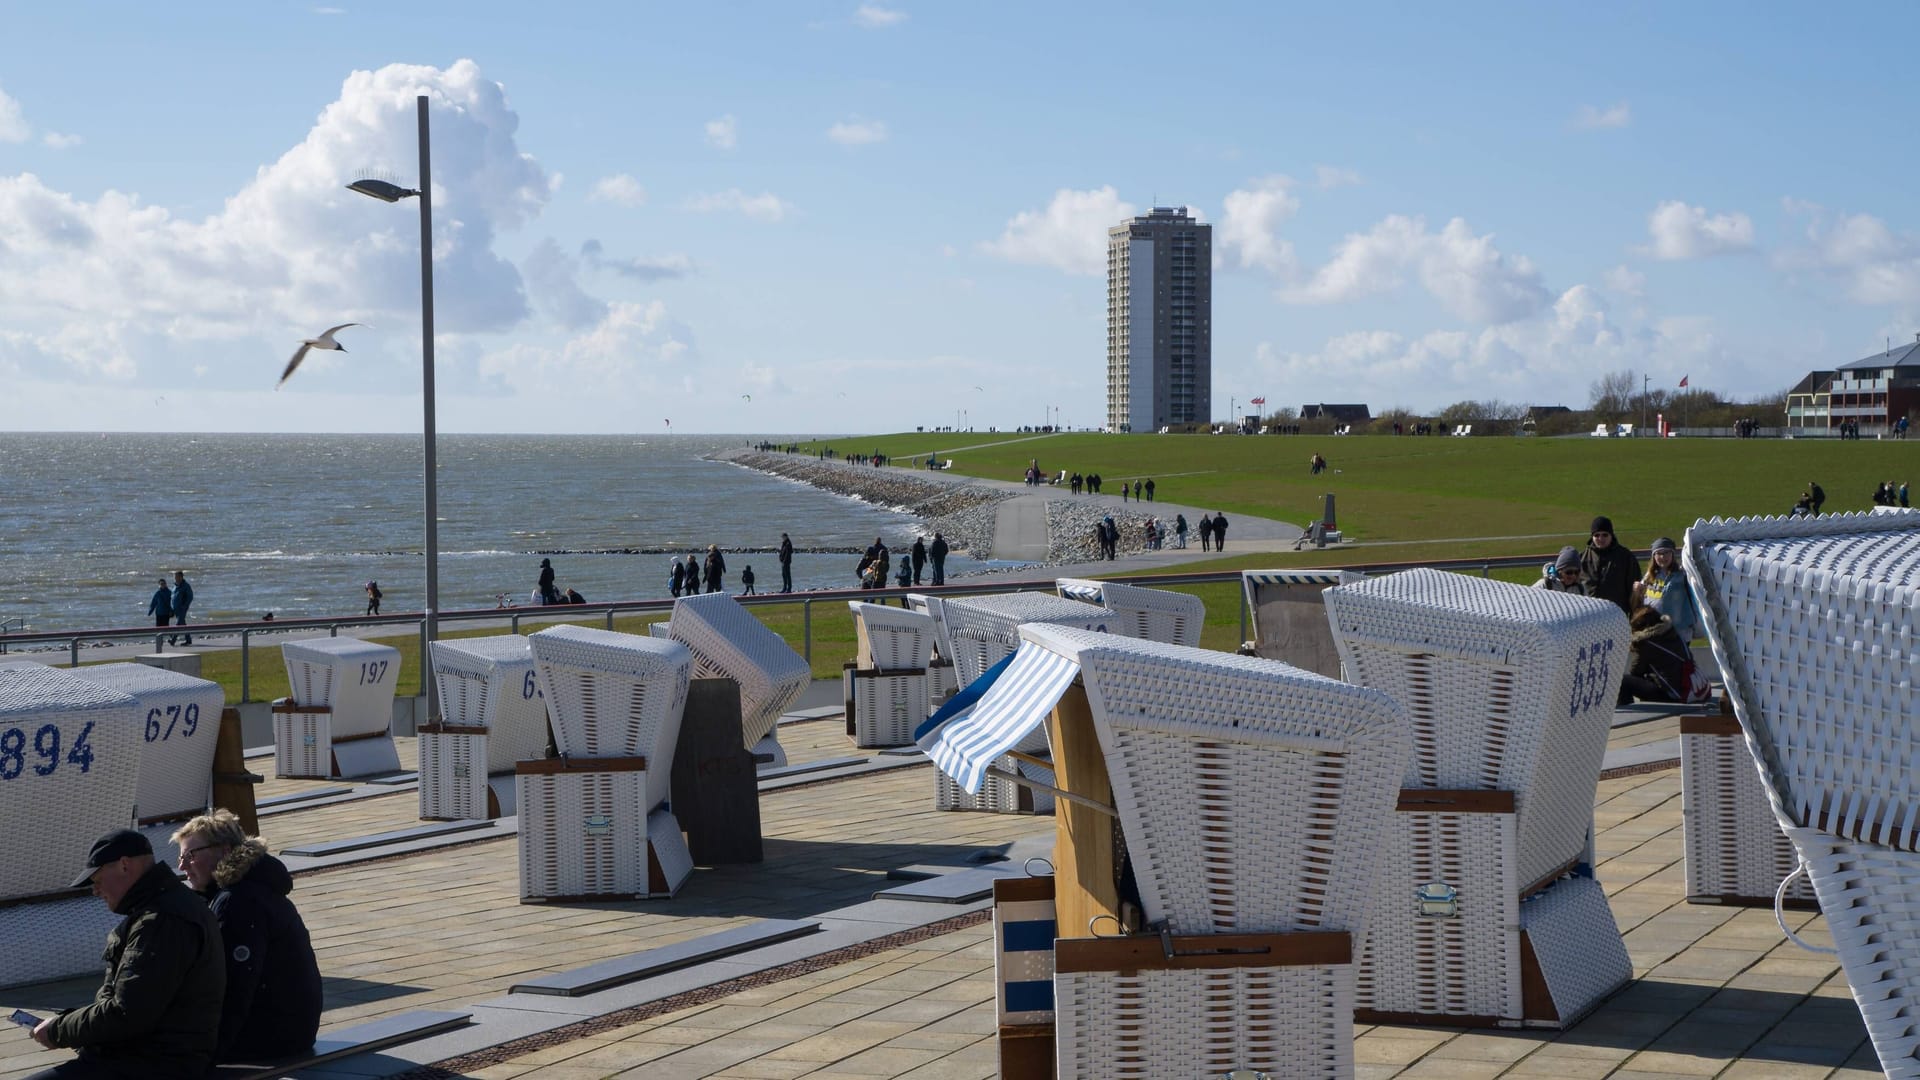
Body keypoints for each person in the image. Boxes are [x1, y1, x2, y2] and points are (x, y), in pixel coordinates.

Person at [28, 829, 224, 1079]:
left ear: (124, 865)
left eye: (97, 880)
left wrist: (58, 1030)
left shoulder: (161, 921)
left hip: (153, 1063)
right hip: (147, 1055)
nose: (95, 891)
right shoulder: (165, 908)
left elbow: (127, 1014)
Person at [170, 810, 321, 1066]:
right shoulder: (247, 889)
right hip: (292, 1028)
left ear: (225, 852)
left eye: (191, 855)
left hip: (271, 1036)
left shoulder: (239, 902)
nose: (183, 866)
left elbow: (233, 987)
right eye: (181, 857)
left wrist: (204, 1056)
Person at [1621, 604, 1692, 704]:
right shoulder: (1674, 634)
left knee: (1622, 681)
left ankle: (1628, 710)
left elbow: (1636, 672)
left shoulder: (1647, 643)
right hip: (1687, 690)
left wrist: (1636, 647)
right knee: (1648, 678)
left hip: (1672, 696)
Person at [1639, 537, 1699, 643]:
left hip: (1679, 633)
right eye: (1659, 553)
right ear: (1654, 556)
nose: (1663, 557)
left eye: (1666, 552)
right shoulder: (1649, 576)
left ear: (1672, 554)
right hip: (1655, 631)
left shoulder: (1682, 574)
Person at [1581, 516, 1641, 617]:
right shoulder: (1582, 558)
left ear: (1611, 535)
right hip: (1588, 617)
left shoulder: (1626, 557)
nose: (1601, 539)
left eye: (1605, 535)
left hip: (1616, 616)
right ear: (1592, 536)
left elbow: (1634, 589)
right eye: (1597, 535)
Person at [167, 570, 194, 646]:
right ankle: (188, 640)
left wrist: (184, 606)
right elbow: (172, 597)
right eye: (174, 576)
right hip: (175, 608)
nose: (175, 578)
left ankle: (173, 640)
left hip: (182, 609)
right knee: (183, 624)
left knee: (178, 624)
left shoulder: (186, 586)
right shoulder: (175, 586)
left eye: (177, 576)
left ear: (181, 577)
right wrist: (171, 608)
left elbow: (190, 597)